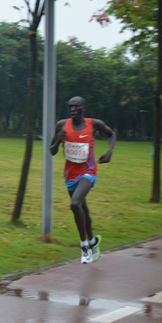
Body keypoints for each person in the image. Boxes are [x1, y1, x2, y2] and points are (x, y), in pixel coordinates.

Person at [50, 96, 116, 264]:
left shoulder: (93, 124)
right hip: (70, 176)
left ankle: (84, 246)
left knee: (75, 203)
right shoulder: (61, 125)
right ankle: (93, 240)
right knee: (82, 210)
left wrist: (109, 151)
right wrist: (58, 140)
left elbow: (111, 134)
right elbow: (52, 151)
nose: (72, 109)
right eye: (70, 106)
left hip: (88, 172)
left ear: (83, 108)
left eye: (76, 106)